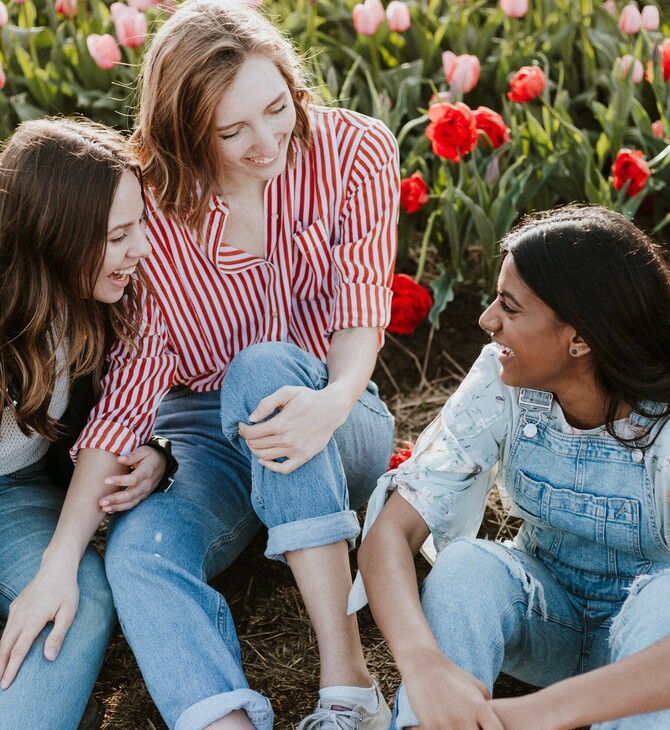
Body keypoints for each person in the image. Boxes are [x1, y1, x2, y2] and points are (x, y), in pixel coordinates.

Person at [101, 1, 399, 728]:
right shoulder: (151, 198)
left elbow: (362, 311)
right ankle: (223, 721)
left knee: (264, 370)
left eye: (275, 110)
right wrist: (154, 448)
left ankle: (348, 685)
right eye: (232, 132)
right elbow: (142, 359)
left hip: (336, 409)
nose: (266, 142)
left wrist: (330, 401)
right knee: (140, 554)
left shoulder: (355, 150)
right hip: (206, 433)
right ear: (183, 131)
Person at [355, 205, 670, 730]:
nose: (486, 320)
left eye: (510, 307)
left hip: (649, 656)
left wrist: (527, 716)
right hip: (549, 618)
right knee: (466, 568)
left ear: (581, 338)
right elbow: (390, 534)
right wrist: (425, 665)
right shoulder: (501, 378)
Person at [0, 117, 177, 730]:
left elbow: (117, 417)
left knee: (78, 601)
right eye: (118, 235)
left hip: (17, 493)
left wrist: (152, 449)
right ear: (56, 238)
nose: (142, 250)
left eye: (141, 226)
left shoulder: (126, 294)